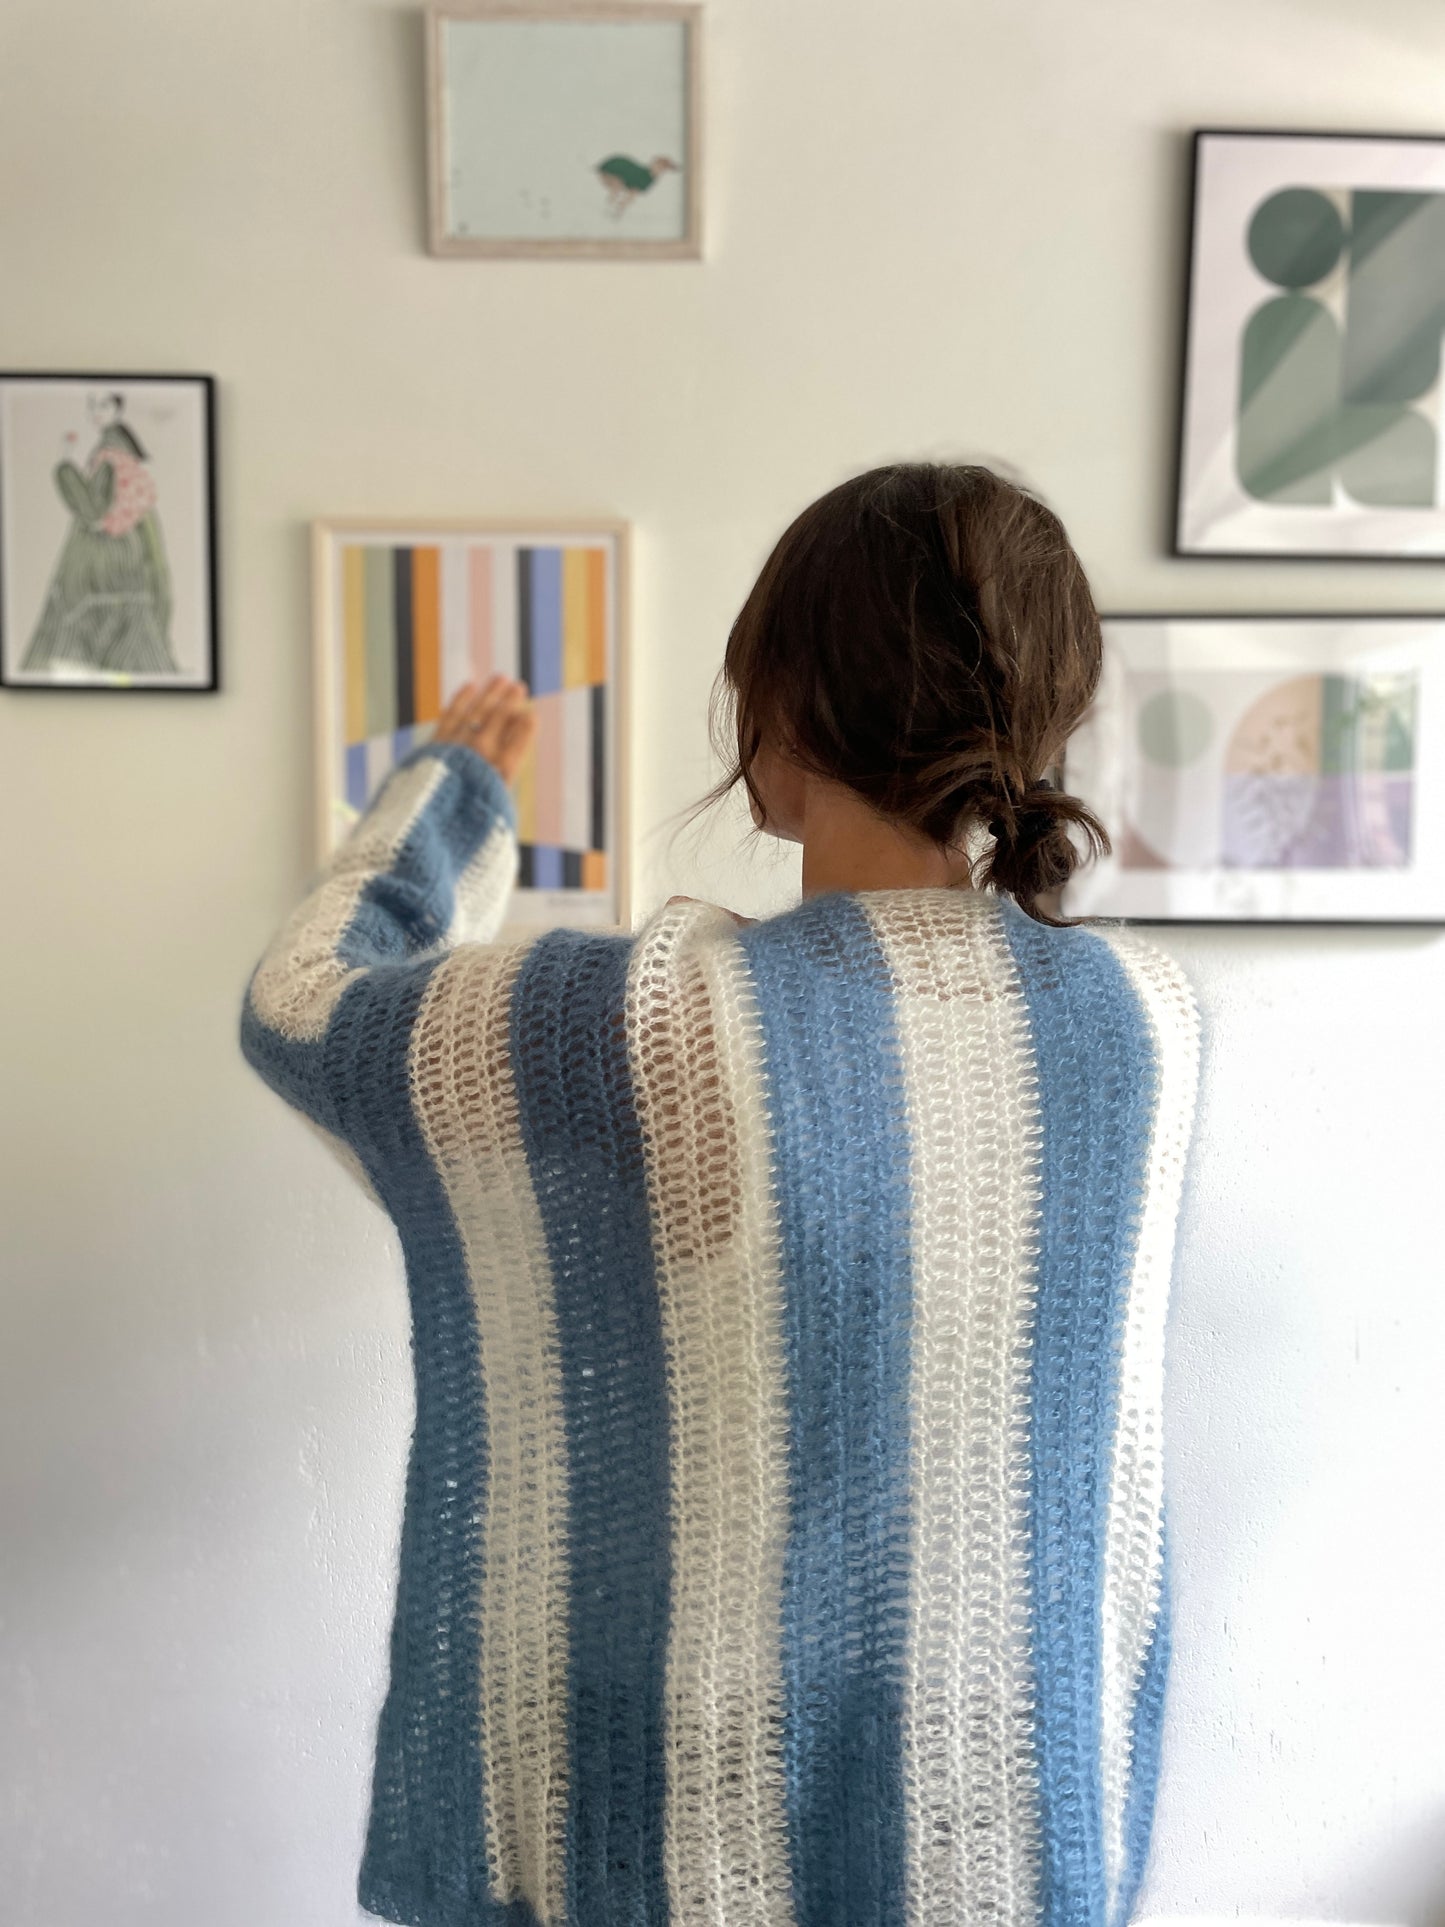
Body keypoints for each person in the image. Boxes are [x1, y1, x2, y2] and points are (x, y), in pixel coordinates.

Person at [241, 462, 1199, 1927]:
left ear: (781, 709)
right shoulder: (1143, 1026)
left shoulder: (656, 1027)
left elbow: (305, 1002)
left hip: (669, 1820)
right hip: (1002, 1826)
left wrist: (454, 786)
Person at [23, 391, 177, 677]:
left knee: (79, 630)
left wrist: (64, 465)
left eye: (104, 406)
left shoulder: (108, 455)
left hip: (102, 558)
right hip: (129, 555)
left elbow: (92, 510)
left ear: (118, 410)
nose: (96, 412)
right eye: (92, 406)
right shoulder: (126, 452)